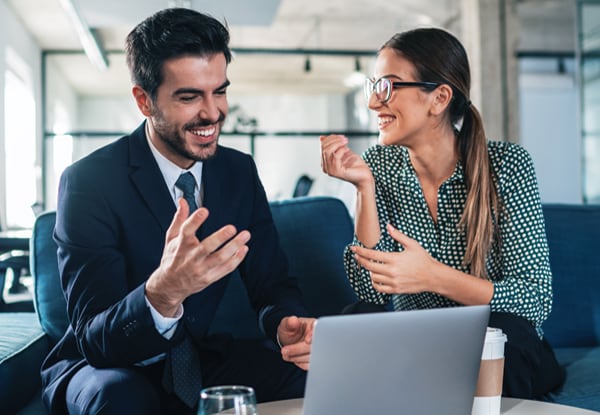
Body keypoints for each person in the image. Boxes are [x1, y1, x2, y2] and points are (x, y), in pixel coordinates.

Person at [41, 8, 315, 415]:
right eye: (189, 97)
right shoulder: (89, 181)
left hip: (197, 357)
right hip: (104, 364)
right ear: (144, 100)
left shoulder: (238, 171)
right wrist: (163, 292)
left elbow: (271, 283)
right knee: (119, 396)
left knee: (318, 374)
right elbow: (94, 339)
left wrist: (285, 325)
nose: (213, 113)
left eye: (219, 91)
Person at [320, 27, 564, 399]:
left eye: (387, 87)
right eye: (374, 86)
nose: (373, 103)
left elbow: (534, 298)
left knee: (501, 334)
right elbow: (369, 289)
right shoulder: (380, 165)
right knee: (355, 316)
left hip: (498, 345)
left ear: (439, 98)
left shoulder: (508, 165)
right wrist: (364, 188)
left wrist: (432, 277)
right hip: (420, 343)